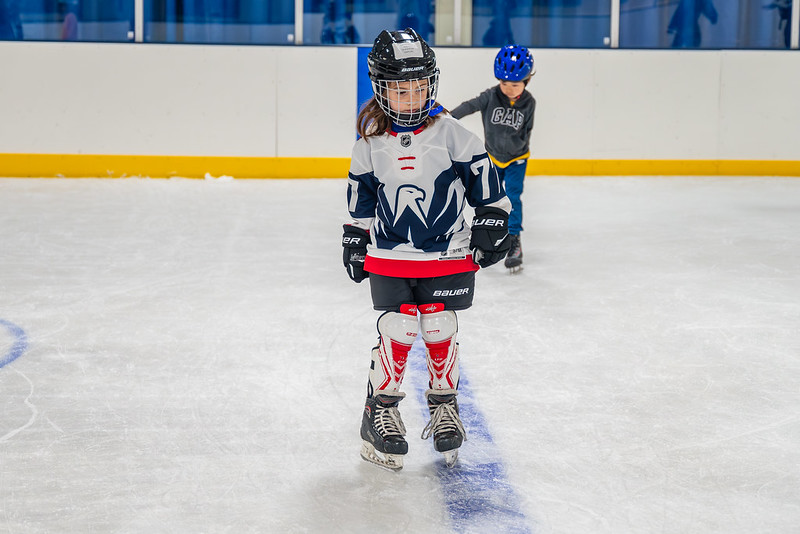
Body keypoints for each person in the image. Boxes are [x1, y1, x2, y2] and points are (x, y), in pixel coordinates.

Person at [342, 28, 512, 470]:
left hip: (448, 252)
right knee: (399, 326)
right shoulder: (369, 146)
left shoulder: (454, 135)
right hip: (390, 255)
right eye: (400, 89)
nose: (411, 96)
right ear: (381, 89)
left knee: (439, 326)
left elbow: (488, 190)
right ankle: (380, 411)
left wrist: (493, 220)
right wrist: (355, 238)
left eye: (419, 86)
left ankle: (442, 405)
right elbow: (360, 202)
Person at [450, 45, 536, 272]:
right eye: (504, 83)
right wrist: (447, 119)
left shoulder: (530, 103)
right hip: (492, 158)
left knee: (514, 198)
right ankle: (489, 233)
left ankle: (515, 240)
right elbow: (470, 106)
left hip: (517, 159)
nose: (508, 89)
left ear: (526, 81)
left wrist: (518, 150)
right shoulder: (490, 96)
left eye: (515, 84)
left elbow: (527, 130)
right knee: (488, 198)